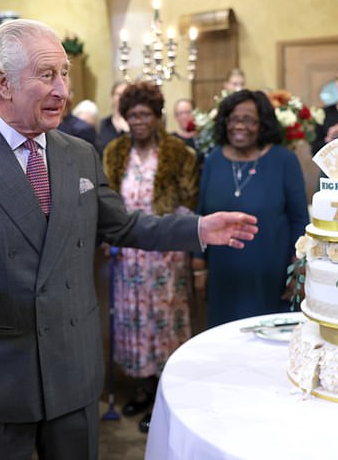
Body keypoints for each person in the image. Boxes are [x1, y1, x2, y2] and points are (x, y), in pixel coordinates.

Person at [0, 20, 257, 460]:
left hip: (73, 371)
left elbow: (122, 225)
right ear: (2, 83)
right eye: (48, 75)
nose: (63, 89)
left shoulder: (79, 154)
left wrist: (197, 228)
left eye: (64, 74)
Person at [102, 82, 199, 434]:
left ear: (158, 117)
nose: (138, 121)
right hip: (127, 256)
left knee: (164, 322)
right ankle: (143, 389)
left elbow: (190, 203)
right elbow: (105, 201)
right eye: (132, 115)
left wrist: (176, 234)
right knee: (134, 322)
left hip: (166, 256)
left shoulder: (179, 153)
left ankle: (165, 394)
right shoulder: (114, 152)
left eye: (145, 114)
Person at [193, 89, 309, 328]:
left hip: (270, 273)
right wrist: (199, 267)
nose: (239, 126)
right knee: (224, 342)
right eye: (233, 119)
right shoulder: (214, 159)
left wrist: (298, 270)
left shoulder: (283, 160)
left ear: (262, 124)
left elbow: (299, 220)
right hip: (223, 273)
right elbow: (201, 213)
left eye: (248, 119)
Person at [98, 80, 129, 154]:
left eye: (125, 94)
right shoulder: (101, 125)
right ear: (112, 96)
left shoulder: (135, 124)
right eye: (118, 94)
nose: (122, 98)